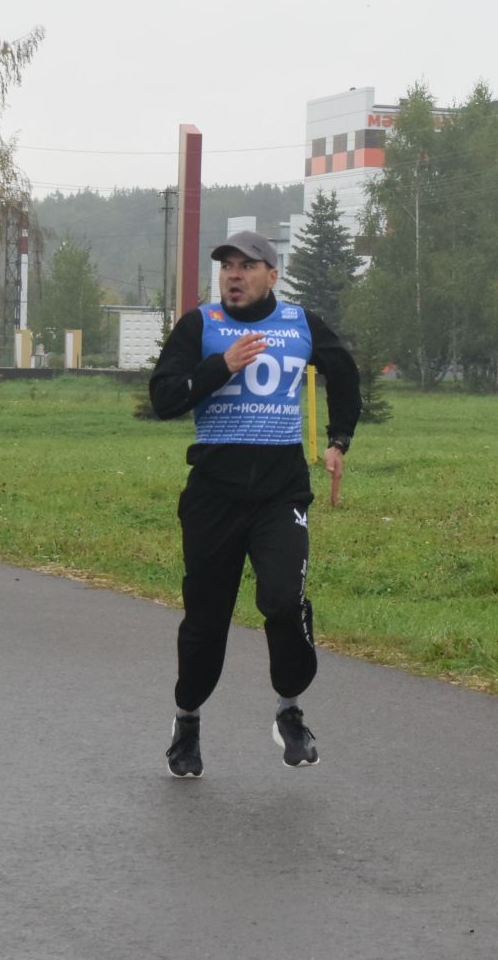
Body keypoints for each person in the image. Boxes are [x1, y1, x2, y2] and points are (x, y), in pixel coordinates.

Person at [146, 230, 361, 777]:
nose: (233, 276)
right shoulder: (201, 326)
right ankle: (187, 721)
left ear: (273, 274)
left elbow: (345, 373)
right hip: (214, 495)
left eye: (246, 266)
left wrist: (338, 442)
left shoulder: (299, 324)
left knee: (284, 600)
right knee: (206, 622)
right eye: (226, 267)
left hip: (279, 492)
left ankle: (290, 710)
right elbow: (164, 398)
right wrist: (222, 366)